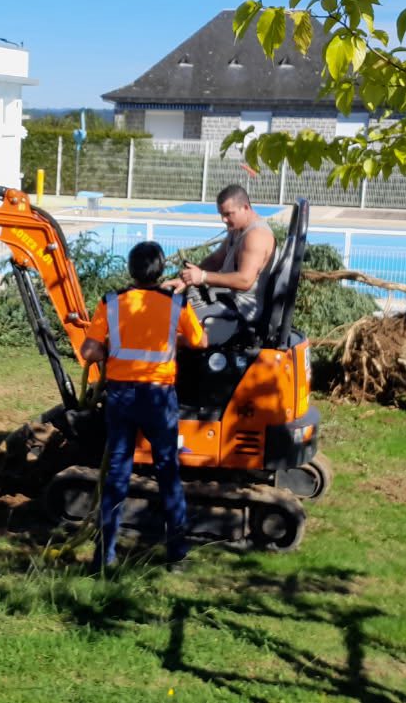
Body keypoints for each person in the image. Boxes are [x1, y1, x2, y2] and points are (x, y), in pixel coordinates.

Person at [80, 241, 208, 571]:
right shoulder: (176, 303)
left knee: (118, 471)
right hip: (159, 398)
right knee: (167, 471)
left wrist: (113, 347)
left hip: (122, 397)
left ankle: (104, 556)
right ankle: (177, 554)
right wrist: (169, 340)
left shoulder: (111, 302)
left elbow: (90, 352)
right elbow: (199, 342)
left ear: (130, 270)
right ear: (161, 270)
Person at [162, 184, 275, 342]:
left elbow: (245, 280)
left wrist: (202, 276)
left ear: (245, 207)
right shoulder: (237, 230)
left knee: (172, 336)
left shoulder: (256, 236)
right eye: (222, 214)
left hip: (241, 313)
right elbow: (216, 260)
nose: (224, 219)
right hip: (228, 301)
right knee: (172, 319)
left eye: (229, 214)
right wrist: (186, 279)